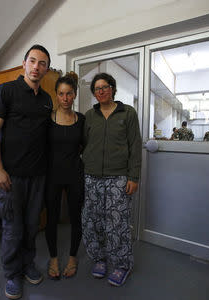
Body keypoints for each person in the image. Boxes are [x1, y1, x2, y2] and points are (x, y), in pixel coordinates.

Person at [0, 44, 52, 300]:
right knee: (13, 228)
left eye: (42, 63)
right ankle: (12, 273)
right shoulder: (6, 91)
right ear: (24, 63)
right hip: (11, 177)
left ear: (46, 69)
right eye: (33, 61)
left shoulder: (47, 100)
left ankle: (27, 264)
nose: (37, 67)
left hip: (38, 176)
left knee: (31, 225)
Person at [81, 72, 142, 287]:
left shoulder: (128, 113)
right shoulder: (89, 115)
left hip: (118, 177)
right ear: (94, 93)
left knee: (118, 223)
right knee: (93, 221)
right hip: (92, 177)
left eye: (105, 87)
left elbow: (135, 147)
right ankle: (99, 259)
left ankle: (122, 264)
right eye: (97, 89)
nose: (101, 91)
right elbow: (84, 144)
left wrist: (133, 176)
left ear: (113, 89)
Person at [45, 72, 85, 280]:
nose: (65, 98)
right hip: (52, 176)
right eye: (61, 94)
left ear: (75, 94)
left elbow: (86, 146)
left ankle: (72, 257)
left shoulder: (82, 120)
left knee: (75, 218)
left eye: (69, 94)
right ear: (56, 95)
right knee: (51, 218)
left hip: (75, 175)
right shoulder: (48, 119)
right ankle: (53, 258)